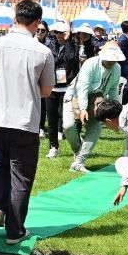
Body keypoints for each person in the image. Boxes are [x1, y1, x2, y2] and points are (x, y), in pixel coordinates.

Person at [0, 0, 55, 244]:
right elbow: (46, 90)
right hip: (25, 119)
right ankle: (15, 229)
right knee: (21, 175)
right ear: (37, 23)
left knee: (2, 164)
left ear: (15, 19)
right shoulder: (42, 51)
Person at [63, 44, 124, 173]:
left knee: (95, 129)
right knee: (68, 126)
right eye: (109, 58)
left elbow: (113, 90)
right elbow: (82, 87)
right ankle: (78, 150)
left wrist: (116, 112)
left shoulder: (117, 69)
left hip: (97, 101)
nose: (112, 61)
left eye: (115, 59)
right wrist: (83, 109)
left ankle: (79, 161)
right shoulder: (90, 64)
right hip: (74, 95)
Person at [46, 21, 79, 159]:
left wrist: (68, 41)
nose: (59, 35)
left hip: (68, 87)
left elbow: (72, 59)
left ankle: (76, 147)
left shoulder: (73, 46)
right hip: (52, 87)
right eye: (57, 32)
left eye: (62, 33)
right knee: (51, 119)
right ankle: (53, 147)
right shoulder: (50, 45)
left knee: (68, 121)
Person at [117, 20, 128, 103]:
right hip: (125, 69)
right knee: (126, 89)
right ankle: (124, 104)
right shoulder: (123, 39)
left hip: (126, 68)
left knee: (127, 88)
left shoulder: (124, 38)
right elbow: (121, 55)